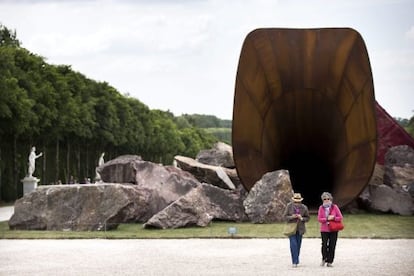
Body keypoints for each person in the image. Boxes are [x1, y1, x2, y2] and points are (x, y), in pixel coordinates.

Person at [283, 192, 310, 268]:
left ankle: (296, 259)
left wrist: (302, 218)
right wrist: (292, 217)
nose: (297, 203)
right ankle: (295, 261)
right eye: (295, 201)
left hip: (300, 229)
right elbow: (284, 217)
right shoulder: (289, 206)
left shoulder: (304, 207)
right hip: (291, 229)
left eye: (298, 202)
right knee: (293, 244)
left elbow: (308, 218)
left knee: (298, 245)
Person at [317, 192, 343, 267]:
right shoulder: (321, 208)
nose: (326, 200)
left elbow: (340, 217)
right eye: (325, 199)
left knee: (332, 245)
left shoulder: (335, 207)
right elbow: (319, 219)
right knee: (324, 244)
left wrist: (334, 218)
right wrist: (326, 219)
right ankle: (324, 258)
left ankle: (330, 261)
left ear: (330, 199)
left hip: (333, 229)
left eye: (328, 199)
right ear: (323, 200)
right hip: (324, 230)